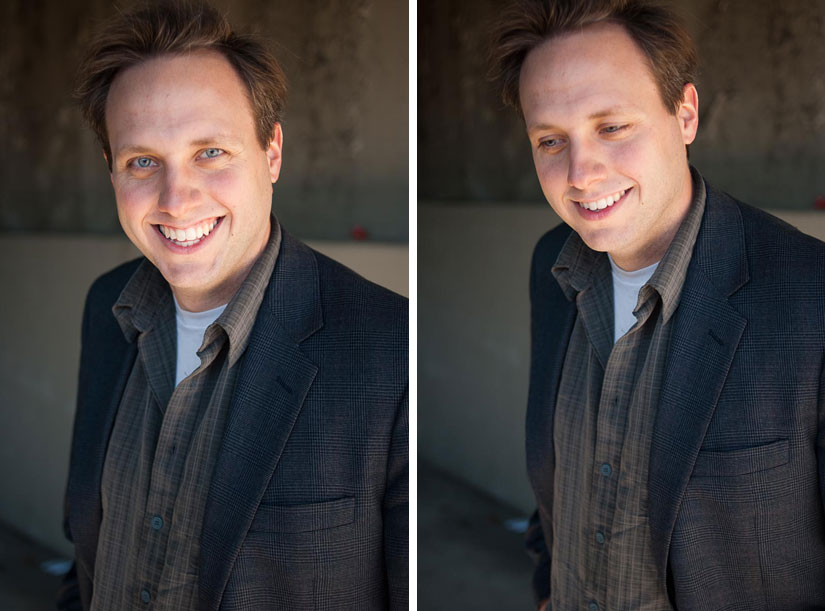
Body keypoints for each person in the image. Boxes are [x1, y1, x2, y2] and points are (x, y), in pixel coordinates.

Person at [58, 2, 408, 610]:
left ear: (271, 152)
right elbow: (90, 554)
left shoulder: (392, 347)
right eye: (143, 161)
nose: (176, 198)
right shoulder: (106, 308)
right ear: (111, 171)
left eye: (210, 152)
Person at [490, 0, 825, 609]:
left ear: (686, 112)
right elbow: (558, 482)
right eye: (550, 140)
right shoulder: (552, 265)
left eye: (612, 127)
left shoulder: (811, 293)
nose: (582, 173)